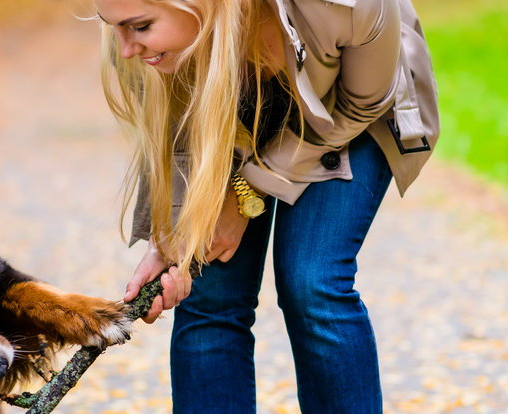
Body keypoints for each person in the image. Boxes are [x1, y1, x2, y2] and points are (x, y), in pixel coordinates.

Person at [94, 0, 439, 412]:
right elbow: (180, 135)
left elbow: (362, 104)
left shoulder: (346, 6)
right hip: (230, 117)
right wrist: (172, 240)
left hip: (349, 113)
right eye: (114, 27)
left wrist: (244, 196)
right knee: (209, 291)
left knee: (313, 283)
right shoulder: (134, 45)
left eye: (141, 26)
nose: (126, 48)